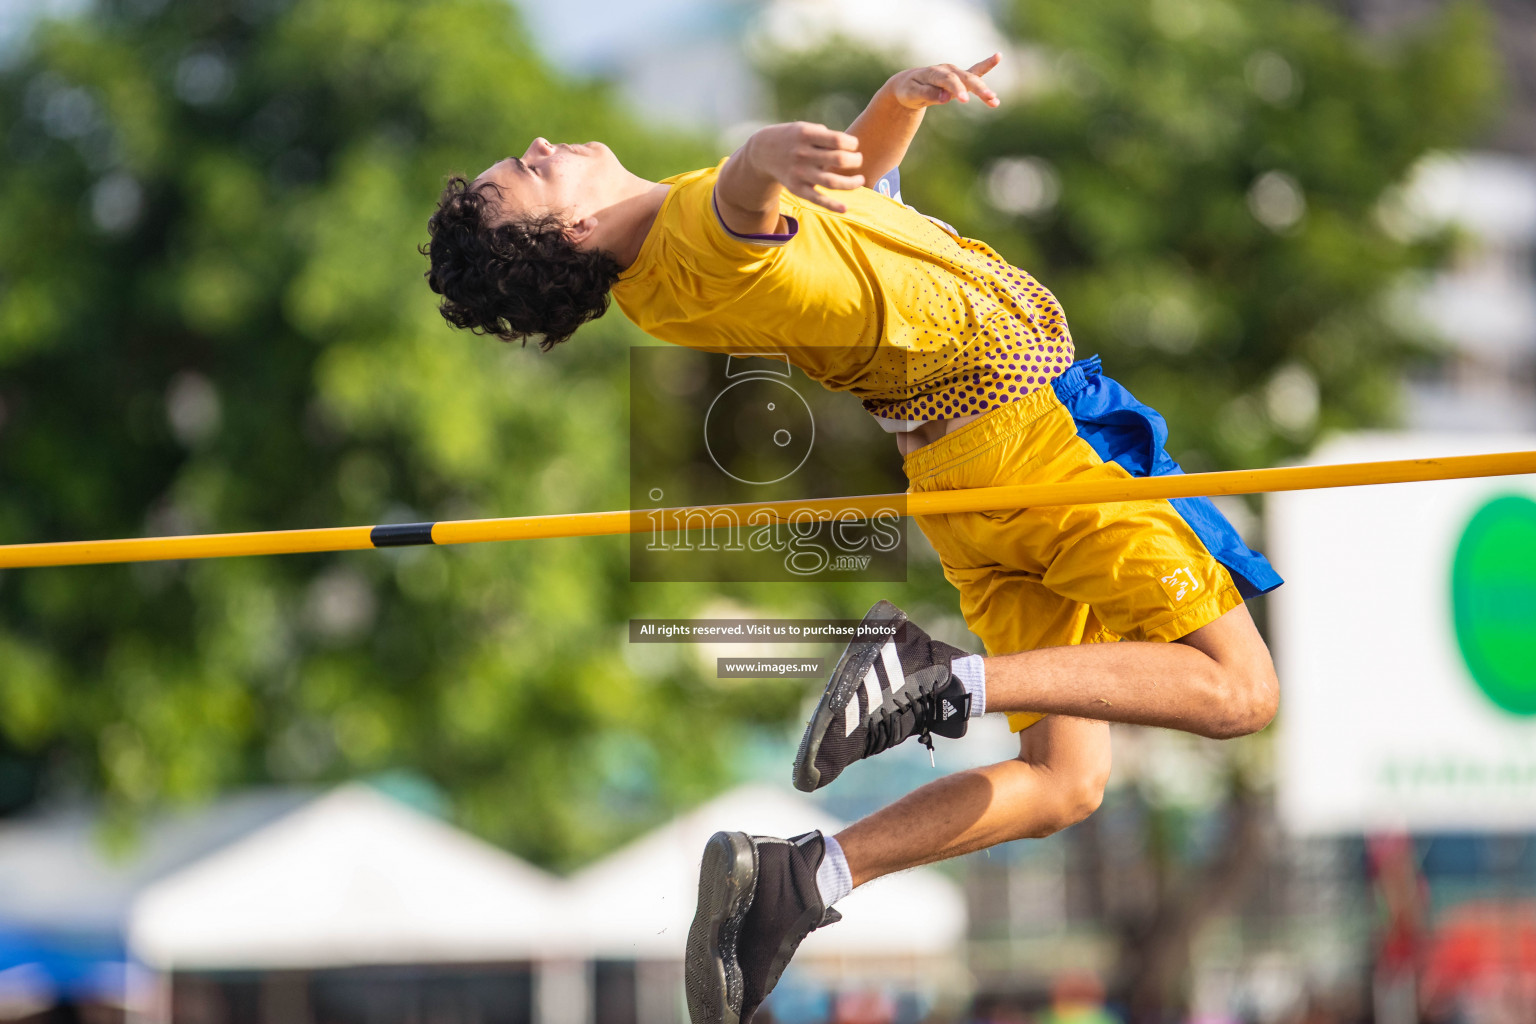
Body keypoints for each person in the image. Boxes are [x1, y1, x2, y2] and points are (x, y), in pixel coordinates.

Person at [422, 54, 1282, 1024]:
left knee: (1066, 781)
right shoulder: (694, 228)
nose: (539, 146)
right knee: (1242, 693)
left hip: (965, 478)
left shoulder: (658, 281)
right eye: (528, 173)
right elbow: (747, 199)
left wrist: (892, 108)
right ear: (573, 229)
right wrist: (765, 154)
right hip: (1035, 441)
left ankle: (806, 877)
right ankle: (939, 680)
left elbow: (846, 197)